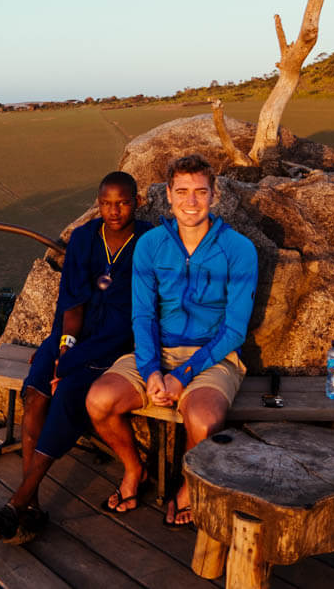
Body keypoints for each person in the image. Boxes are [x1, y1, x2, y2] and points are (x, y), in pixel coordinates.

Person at [0, 171, 153, 544]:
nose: (114, 210)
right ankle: (33, 507)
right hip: (71, 336)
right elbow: (71, 304)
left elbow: (139, 315)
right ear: (98, 202)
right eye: (106, 203)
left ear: (136, 202)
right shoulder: (86, 238)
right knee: (36, 392)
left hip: (115, 343)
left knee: (69, 394)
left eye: (122, 202)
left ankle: (15, 504)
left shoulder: (151, 241)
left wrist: (70, 365)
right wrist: (62, 352)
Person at [86, 155, 258, 527]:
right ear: (168, 195)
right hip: (156, 350)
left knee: (204, 418)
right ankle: (134, 470)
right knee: (98, 400)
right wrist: (150, 371)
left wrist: (182, 375)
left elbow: (234, 330)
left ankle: (188, 486)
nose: (191, 201)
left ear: (214, 196)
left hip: (214, 355)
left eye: (200, 192)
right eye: (182, 192)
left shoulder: (239, 249)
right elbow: (143, 315)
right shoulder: (151, 245)